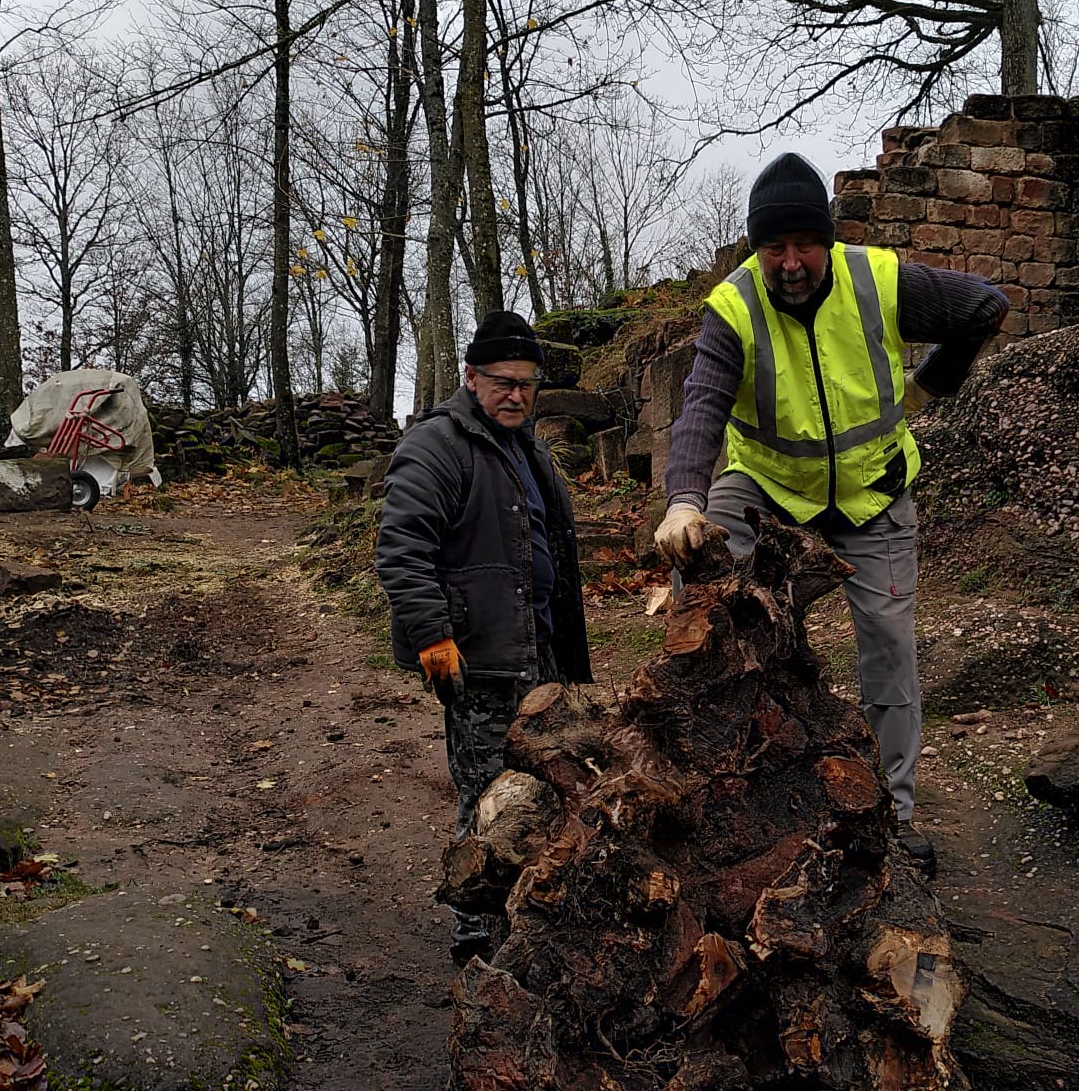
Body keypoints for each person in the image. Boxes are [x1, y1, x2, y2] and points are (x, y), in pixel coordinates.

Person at [656, 152, 1006, 877]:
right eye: (774, 248)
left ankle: (892, 813)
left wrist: (926, 386)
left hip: (872, 492)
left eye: (805, 245)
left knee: (889, 647)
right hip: (770, 486)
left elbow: (984, 306)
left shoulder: (877, 280)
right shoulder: (733, 308)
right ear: (756, 248)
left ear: (828, 239)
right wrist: (684, 501)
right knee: (705, 574)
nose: (790, 263)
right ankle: (712, 779)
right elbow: (700, 410)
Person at [376, 309, 592, 960]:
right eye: (503, 382)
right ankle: (474, 936)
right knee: (487, 799)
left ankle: (529, 921)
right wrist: (432, 639)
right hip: (480, 662)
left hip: (540, 653)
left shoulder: (529, 447)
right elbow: (401, 550)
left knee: (544, 794)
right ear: (471, 377)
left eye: (527, 384)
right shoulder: (436, 445)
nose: (516, 395)